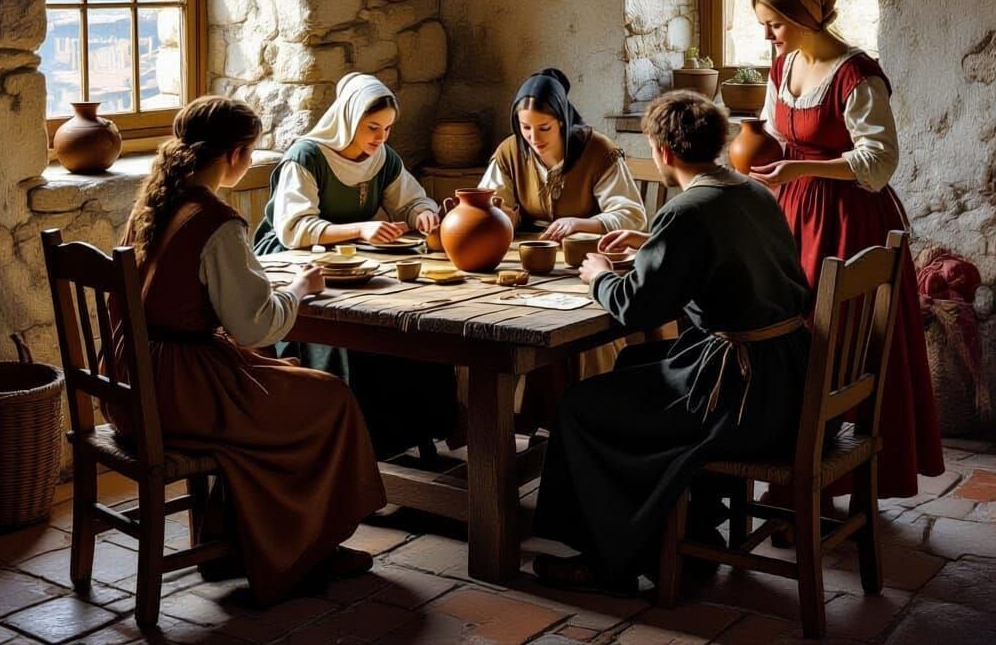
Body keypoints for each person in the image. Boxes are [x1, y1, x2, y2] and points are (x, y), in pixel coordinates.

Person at [107, 96, 386, 606]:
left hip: (129, 384)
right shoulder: (217, 222)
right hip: (177, 393)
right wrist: (299, 290)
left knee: (289, 377)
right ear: (236, 154)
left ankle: (242, 539)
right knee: (329, 400)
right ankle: (304, 550)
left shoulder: (157, 204)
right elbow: (253, 327)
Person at [532, 90, 811, 594]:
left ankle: (605, 560)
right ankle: (682, 527)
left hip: (742, 398)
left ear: (661, 151)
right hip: (788, 377)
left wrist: (597, 275)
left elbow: (635, 307)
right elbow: (726, 260)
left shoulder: (686, 211)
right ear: (720, 142)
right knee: (636, 360)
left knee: (578, 406)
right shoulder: (751, 192)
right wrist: (651, 245)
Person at [749, 0, 944, 498]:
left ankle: (835, 475)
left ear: (804, 17)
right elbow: (771, 131)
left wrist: (804, 169)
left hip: (850, 221)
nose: (769, 37)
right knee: (794, 338)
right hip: (791, 213)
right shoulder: (784, 64)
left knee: (840, 344)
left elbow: (879, 162)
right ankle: (796, 469)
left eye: (775, 25)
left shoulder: (856, 74)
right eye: (765, 26)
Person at [253, 73, 455, 457]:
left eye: (388, 128)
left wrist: (424, 214)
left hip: (354, 262)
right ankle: (352, 445)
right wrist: (361, 228)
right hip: (292, 260)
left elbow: (412, 200)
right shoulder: (307, 156)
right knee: (352, 339)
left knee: (414, 328)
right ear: (348, 119)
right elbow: (295, 228)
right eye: (372, 127)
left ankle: (407, 434)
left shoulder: (382, 158)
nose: (380, 137)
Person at [480, 67, 646, 243]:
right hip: (526, 250)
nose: (534, 138)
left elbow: (633, 218)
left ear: (561, 121)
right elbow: (486, 205)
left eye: (544, 128)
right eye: (526, 128)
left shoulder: (598, 152)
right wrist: (505, 216)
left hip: (587, 252)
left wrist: (580, 224)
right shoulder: (509, 153)